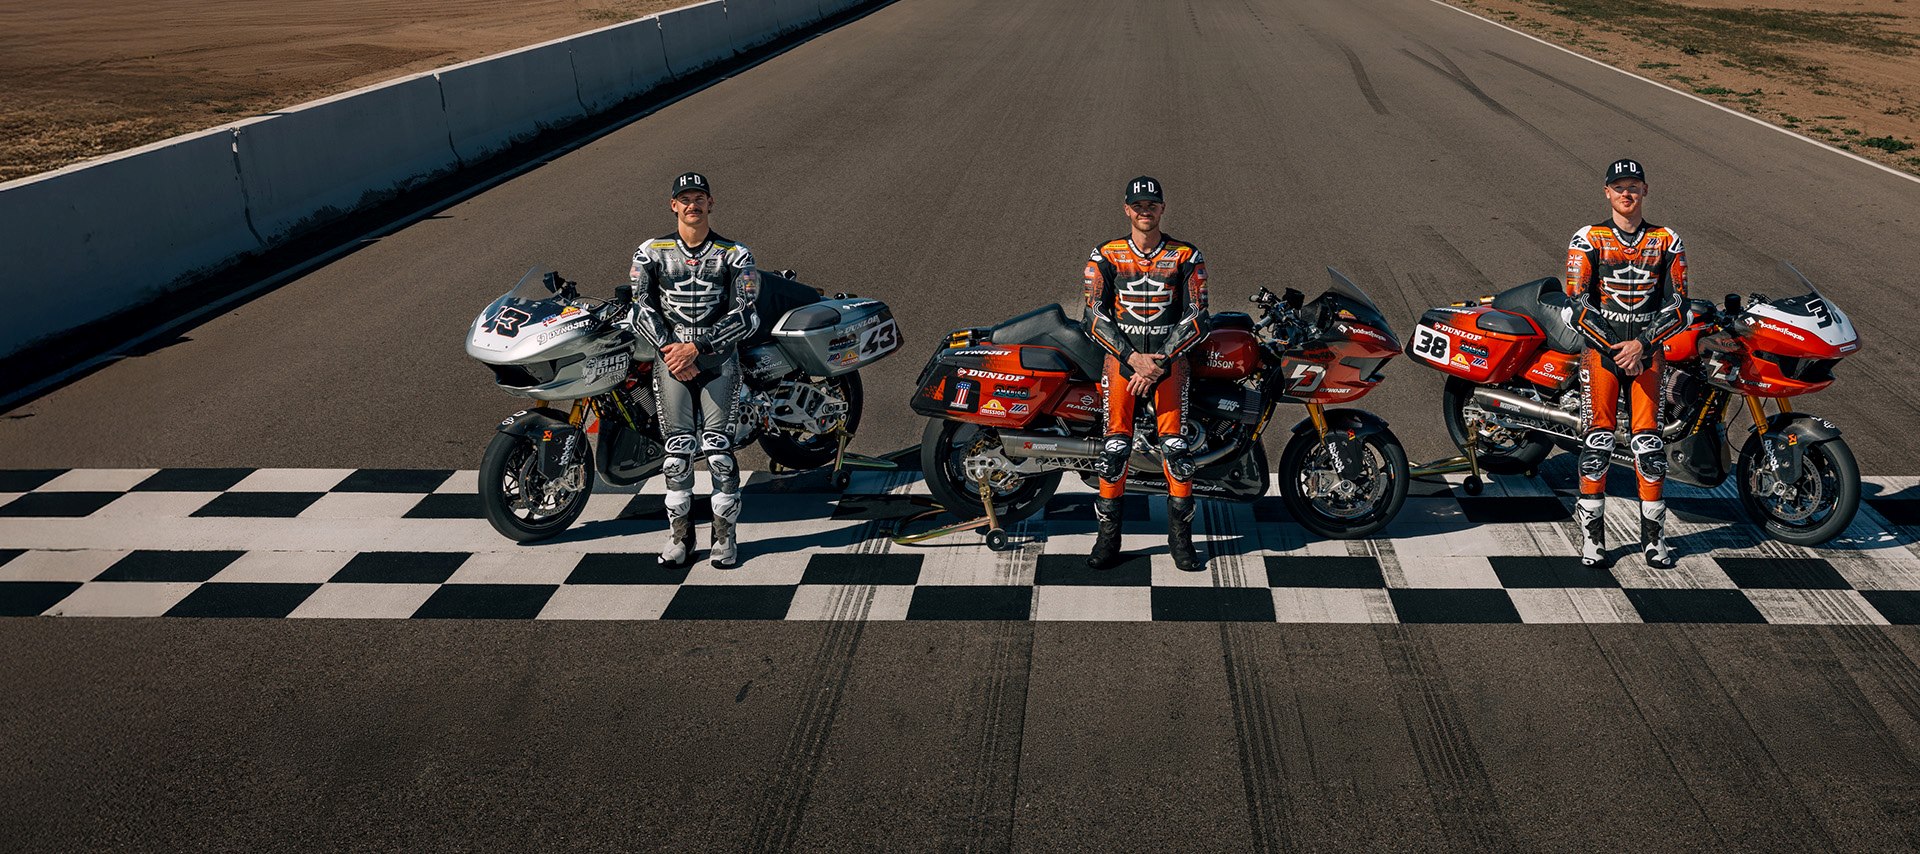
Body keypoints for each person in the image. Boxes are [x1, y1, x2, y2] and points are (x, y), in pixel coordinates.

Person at [627, 172, 760, 568]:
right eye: (685, 198)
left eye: (699, 197)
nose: (692, 205)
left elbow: (746, 315)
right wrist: (672, 352)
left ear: (711, 203)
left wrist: (696, 348)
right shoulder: (650, 252)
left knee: (719, 450)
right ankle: (680, 538)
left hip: (717, 360)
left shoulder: (737, 254)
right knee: (677, 454)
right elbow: (640, 308)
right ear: (673, 205)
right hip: (672, 361)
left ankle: (725, 539)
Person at [1081, 176, 1210, 572]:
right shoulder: (1105, 254)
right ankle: (1108, 540)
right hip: (1123, 364)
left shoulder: (1187, 255)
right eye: (1138, 205)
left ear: (1162, 208)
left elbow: (1198, 316)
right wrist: (1134, 359)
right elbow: (1092, 317)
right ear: (1127, 209)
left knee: (1177, 451)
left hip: (1170, 365)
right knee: (1113, 452)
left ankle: (1181, 542)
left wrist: (1158, 362)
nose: (1145, 211)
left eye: (1152, 204)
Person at [1565, 158, 1689, 569]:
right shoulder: (1588, 237)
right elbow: (1578, 305)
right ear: (1607, 192)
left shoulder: (1668, 239)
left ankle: (1654, 541)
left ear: (1645, 191)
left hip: (1648, 351)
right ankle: (1592, 541)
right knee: (1597, 443)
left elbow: (1679, 305)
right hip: (1602, 353)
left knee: (1649, 445)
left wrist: (1642, 344)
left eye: (1634, 185)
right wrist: (1621, 349)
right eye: (1619, 187)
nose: (1626, 193)